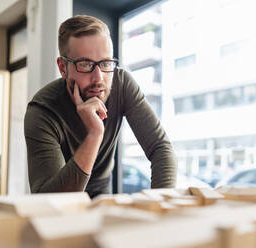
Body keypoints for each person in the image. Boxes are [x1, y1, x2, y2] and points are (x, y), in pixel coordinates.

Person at [24, 15, 177, 198]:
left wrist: (161, 207)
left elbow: (161, 149)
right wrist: (94, 135)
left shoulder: (121, 84)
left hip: (103, 201)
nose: (98, 78)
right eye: (85, 64)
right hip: (58, 212)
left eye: (105, 63)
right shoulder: (42, 111)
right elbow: (49, 199)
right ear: (63, 67)